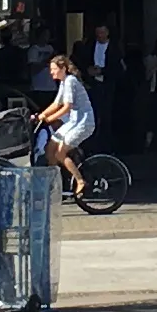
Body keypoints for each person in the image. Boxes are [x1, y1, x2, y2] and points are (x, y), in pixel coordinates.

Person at [31, 49, 98, 204]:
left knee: (60, 153)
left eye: (54, 70)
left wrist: (48, 119)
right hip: (74, 122)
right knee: (50, 149)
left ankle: (80, 180)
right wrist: (40, 115)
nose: (51, 73)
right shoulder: (63, 82)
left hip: (84, 122)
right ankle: (53, 186)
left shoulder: (71, 81)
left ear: (63, 69)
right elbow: (56, 103)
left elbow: (66, 107)